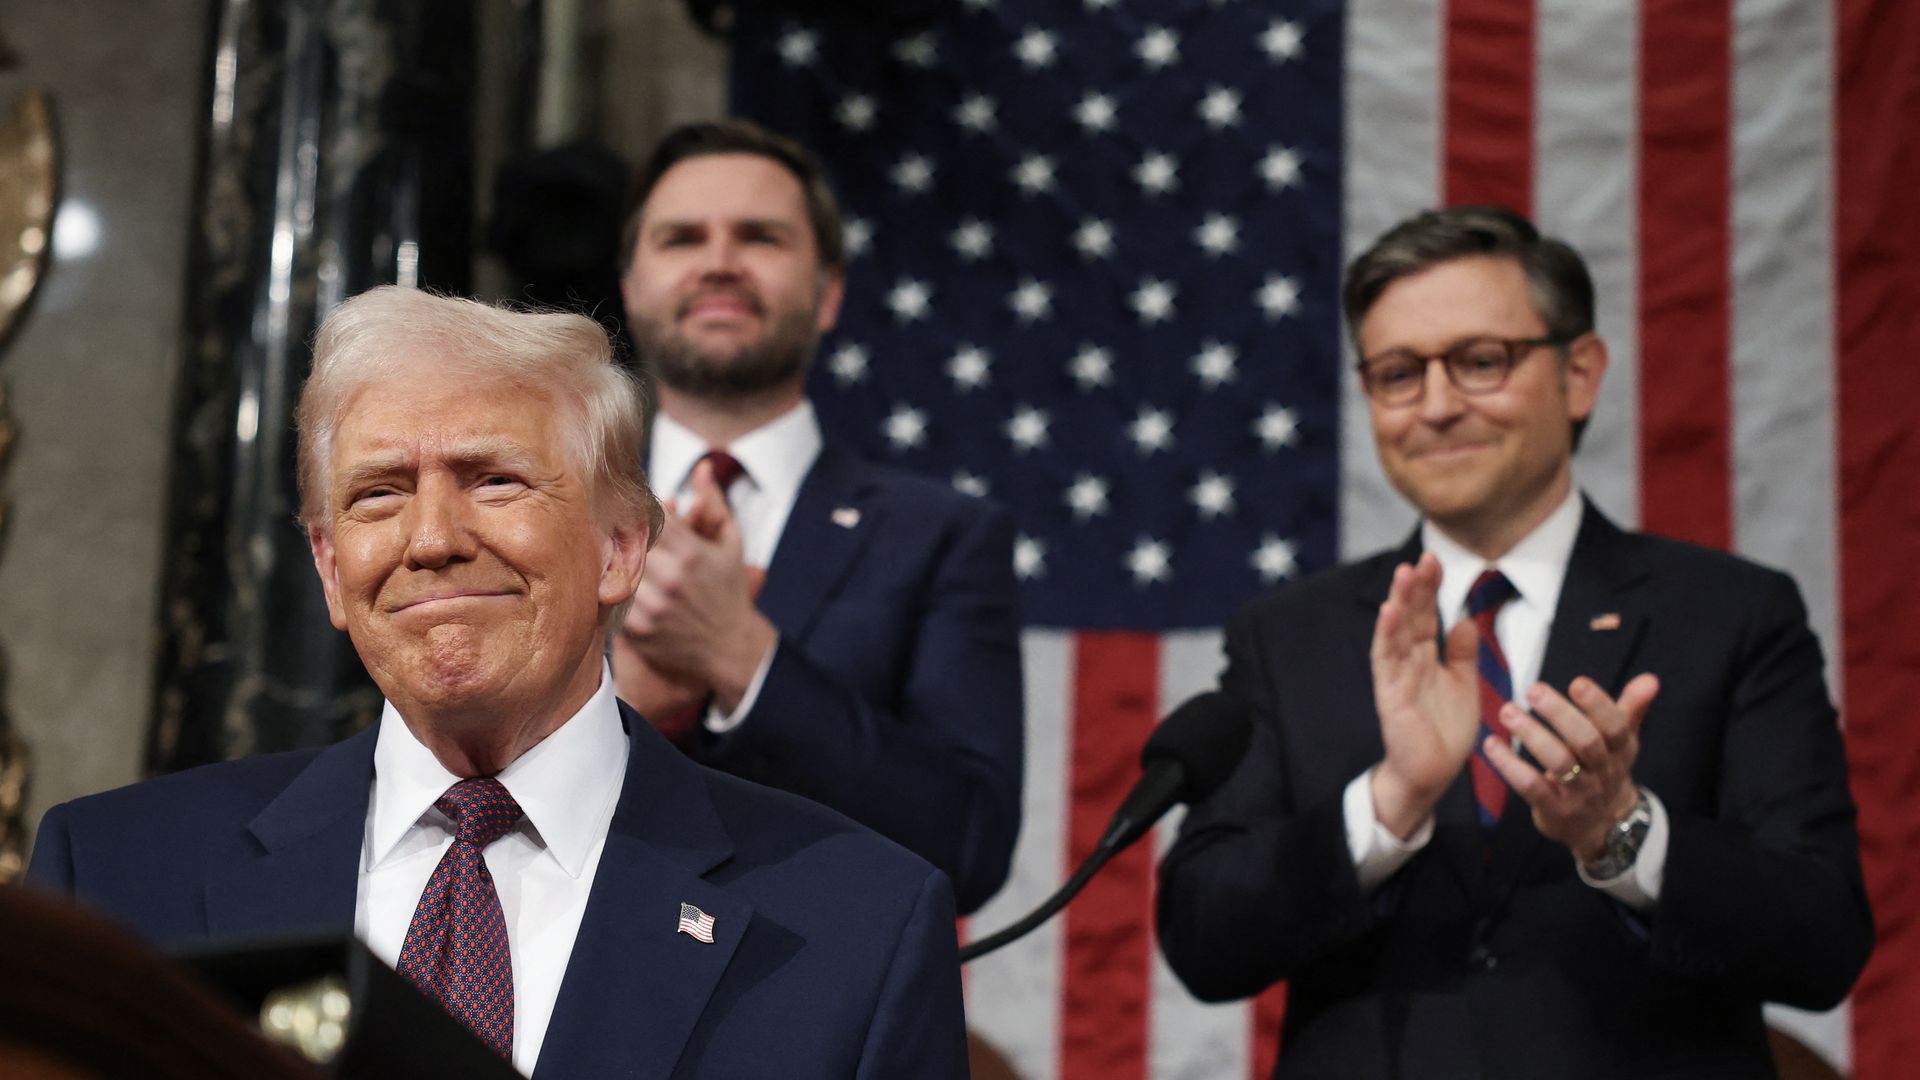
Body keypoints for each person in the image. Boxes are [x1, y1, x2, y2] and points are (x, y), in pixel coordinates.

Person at [27, 287, 968, 1079]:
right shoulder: (111, 878)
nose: (432, 539)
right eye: (378, 494)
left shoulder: (860, 928)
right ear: (327, 566)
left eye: (494, 481)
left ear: (620, 547)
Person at [1156, 206, 1873, 1079]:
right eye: (1397, 374)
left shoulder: (1731, 615)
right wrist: (1389, 802)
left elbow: (1825, 939)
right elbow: (1202, 939)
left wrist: (1621, 833)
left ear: (1579, 373)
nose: (1438, 406)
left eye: (1480, 362)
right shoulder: (1287, 635)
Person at [612, 119, 1024, 916]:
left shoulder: (940, 536)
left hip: (810, 1017)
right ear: (630, 286)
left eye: (760, 237)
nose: (720, 262)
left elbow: (968, 846)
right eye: (682, 238)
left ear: (829, 293)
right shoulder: (538, 516)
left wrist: (742, 657)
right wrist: (612, 706)